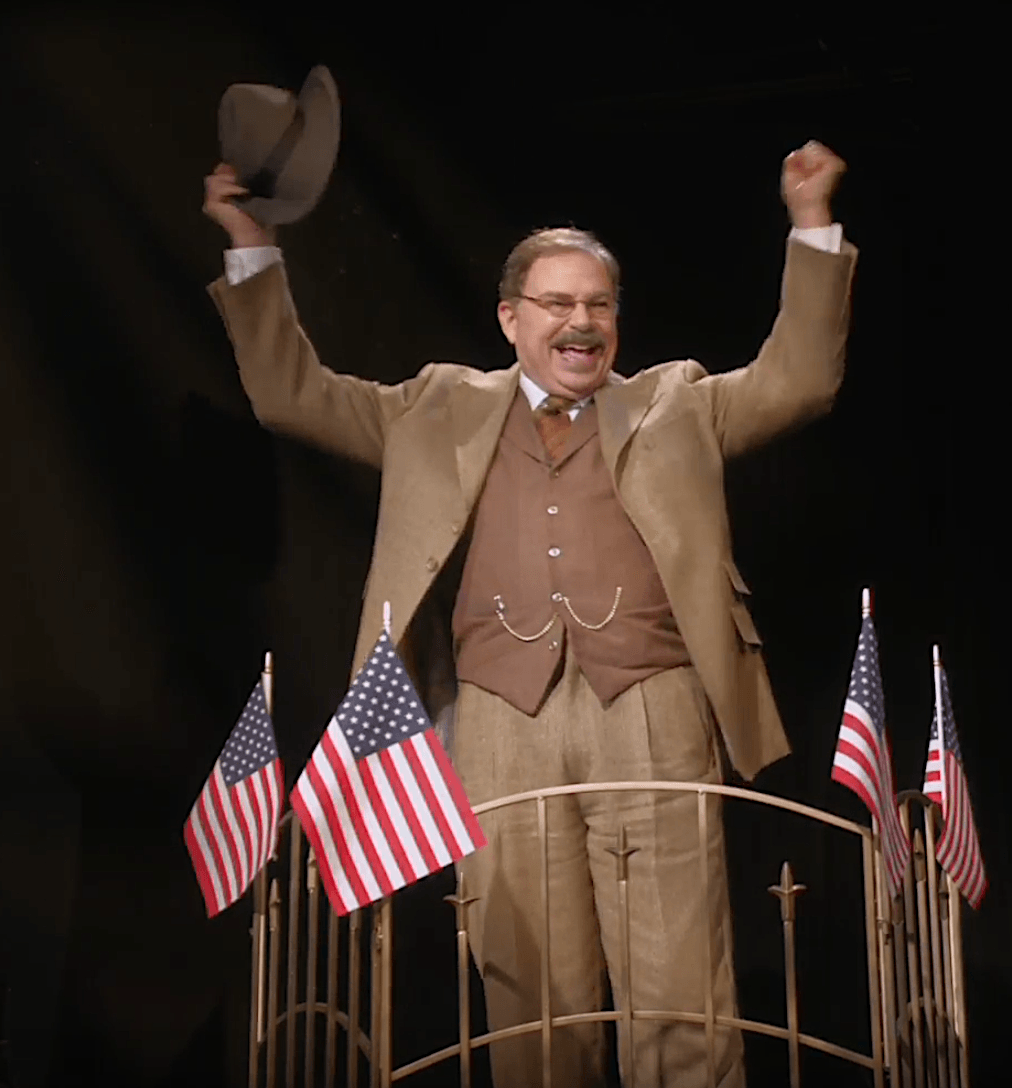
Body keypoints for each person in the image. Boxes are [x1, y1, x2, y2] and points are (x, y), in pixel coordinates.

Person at [204, 139, 855, 1087]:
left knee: (679, 989)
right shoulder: (435, 407)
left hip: (652, 709)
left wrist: (811, 222)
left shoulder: (677, 402)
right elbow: (290, 395)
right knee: (531, 1001)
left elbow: (800, 380)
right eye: (557, 303)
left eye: (599, 304)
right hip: (499, 719)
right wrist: (251, 243)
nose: (581, 322)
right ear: (510, 317)